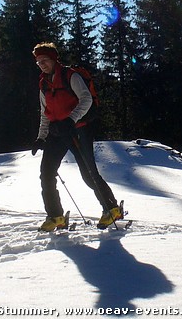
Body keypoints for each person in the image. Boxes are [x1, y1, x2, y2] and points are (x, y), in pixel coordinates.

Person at [31, 42, 122, 231]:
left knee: (88, 173)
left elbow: (86, 98)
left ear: (54, 59)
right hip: (57, 132)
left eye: (45, 60)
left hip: (78, 129)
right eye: (39, 62)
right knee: (46, 173)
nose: (42, 64)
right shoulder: (44, 84)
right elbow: (44, 112)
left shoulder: (70, 76)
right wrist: (41, 137)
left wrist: (71, 120)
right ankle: (55, 216)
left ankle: (111, 208)